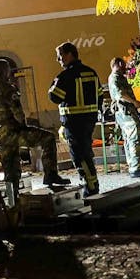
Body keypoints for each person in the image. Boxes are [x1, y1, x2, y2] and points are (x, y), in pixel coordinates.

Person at [0, 58, 65, 200]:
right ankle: (50, 174)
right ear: (4, 71)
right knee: (48, 138)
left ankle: (12, 199)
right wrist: (24, 127)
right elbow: (18, 113)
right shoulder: (8, 88)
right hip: (12, 131)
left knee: (9, 166)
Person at [49, 42, 102, 196]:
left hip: (73, 121)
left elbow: (54, 96)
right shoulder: (91, 72)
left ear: (69, 54)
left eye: (60, 55)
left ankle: (90, 186)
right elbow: (99, 95)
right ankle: (91, 183)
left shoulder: (65, 76)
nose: (58, 59)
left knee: (79, 155)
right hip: (90, 120)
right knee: (86, 151)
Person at [108, 57, 140, 179]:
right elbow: (120, 94)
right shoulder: (115, 77)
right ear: (119, 64)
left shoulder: (118, 77)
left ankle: (134, 167)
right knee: (135, 138)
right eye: (124, 65)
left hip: (125, 112)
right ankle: (136, 168)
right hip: (126, 112)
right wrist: (134, 102)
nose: (126, 68)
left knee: (129, 139)